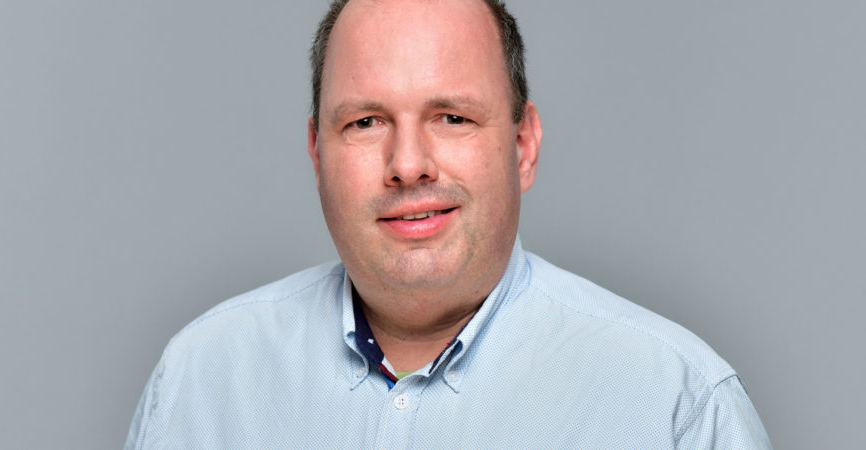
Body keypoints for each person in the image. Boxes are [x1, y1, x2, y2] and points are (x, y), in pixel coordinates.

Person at [125, 0, 771, 447]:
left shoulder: (677, 408)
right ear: (317, 153)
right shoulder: (197, 385)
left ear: (523, 146)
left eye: (452, 118)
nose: (408, 165)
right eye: (366, 122)